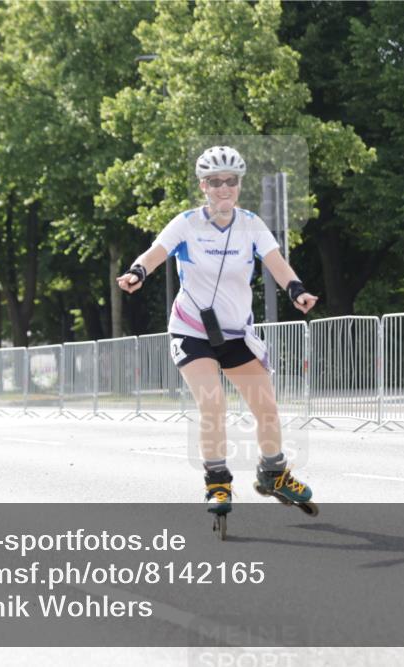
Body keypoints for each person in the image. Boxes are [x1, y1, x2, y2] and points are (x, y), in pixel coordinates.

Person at [116, 146, 318, 518]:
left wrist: (297, 290)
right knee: (213, 404)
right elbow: (155, 252)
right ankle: (217, 482)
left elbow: (276, 262)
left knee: (266, 407)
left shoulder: (251, 224)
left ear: (239, 185)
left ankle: (273, 473)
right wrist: (137, 272)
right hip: (192, 330)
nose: (223, 188)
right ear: (203, 186)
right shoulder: (186, 223)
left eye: (230, 181)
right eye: (215, 181)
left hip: (236, 333)